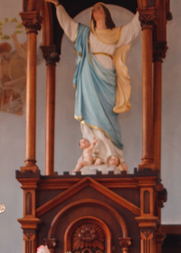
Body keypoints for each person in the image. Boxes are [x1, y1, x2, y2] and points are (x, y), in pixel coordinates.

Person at [46, 1, 141, 165]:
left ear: (105, 13)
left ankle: (111, 154)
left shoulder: (115, 34)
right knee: (90, 113)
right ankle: (94, 154)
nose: (96, 11)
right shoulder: (85, 34)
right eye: (94, 9)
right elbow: (68, 25)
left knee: (108, 115)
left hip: (107, 79)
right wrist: (58, 6)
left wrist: (143, 8)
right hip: (89, 79)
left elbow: (133, 28)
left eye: (99, 9)